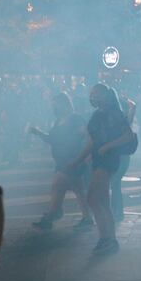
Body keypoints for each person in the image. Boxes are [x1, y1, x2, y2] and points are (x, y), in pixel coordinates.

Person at [68, 84, 132, 255]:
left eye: (96, 94)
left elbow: (127, 136)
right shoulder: (99, 114)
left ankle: (108, 238)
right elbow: (91, 142)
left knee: (94, 199)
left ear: (105, 95)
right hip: (98, 159)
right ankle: (108, 239)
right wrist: (79, 160)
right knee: (100, 200)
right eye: (92, 94)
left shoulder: (113, 113)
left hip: (108, 160)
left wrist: (106, 147)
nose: (93, 97)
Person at [30, 92, 93, 231]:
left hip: (73, 159)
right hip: (62, 159)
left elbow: (86, 134)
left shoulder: (76, 118)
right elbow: (52, 139)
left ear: (64, 104)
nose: (53, 107)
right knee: (78, 189)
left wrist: (86, 156)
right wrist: (38, 132)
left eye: (55, 104)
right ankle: (87, 218)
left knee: (57, 185)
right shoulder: (58, 121)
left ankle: (52, 215)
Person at [110, 93, 136, 222]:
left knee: (114, 183)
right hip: (120, 156)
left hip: (121, 156)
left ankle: (117, 211)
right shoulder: (122, 119)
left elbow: (133, 108)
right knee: (115, 183)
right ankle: (116, 211)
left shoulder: (123, 120)